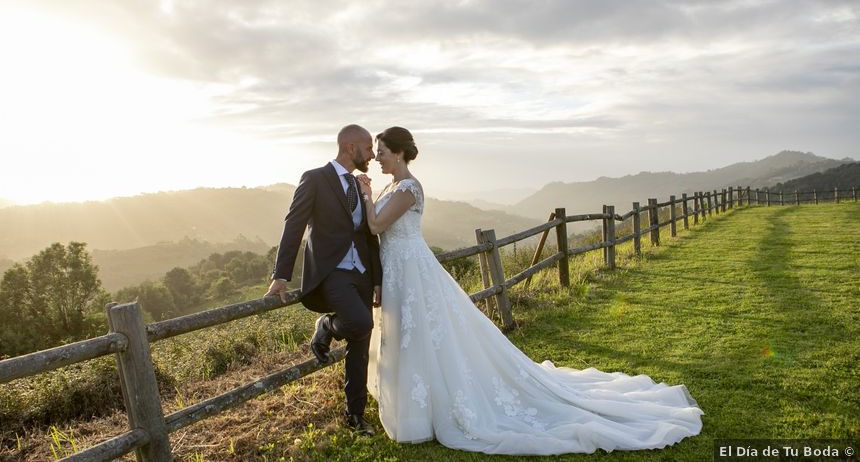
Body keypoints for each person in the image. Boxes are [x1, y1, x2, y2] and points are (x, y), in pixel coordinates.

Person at [355, 126, 704, 455]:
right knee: (412, 336)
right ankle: (415, 407)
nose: (378, 158)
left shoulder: (407, 189)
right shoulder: (391, 187)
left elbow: (375, 225)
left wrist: (365, 193)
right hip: (399, 270)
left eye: (383, 152)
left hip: (412, 269)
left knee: (423, 334)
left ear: (400, 153)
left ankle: (428, 410)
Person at [265, 124, 382, 435]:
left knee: (360, 344)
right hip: (332, 273)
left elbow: (369, 235)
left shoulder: (359, 185)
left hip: (362, 275)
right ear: (350, 147)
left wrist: (378, 279)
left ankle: (355, 415)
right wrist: (281, 275)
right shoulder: (314, 179)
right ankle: (327, 325)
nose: (371, 154)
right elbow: (294, 225)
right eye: (368, 148)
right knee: (361, 324)